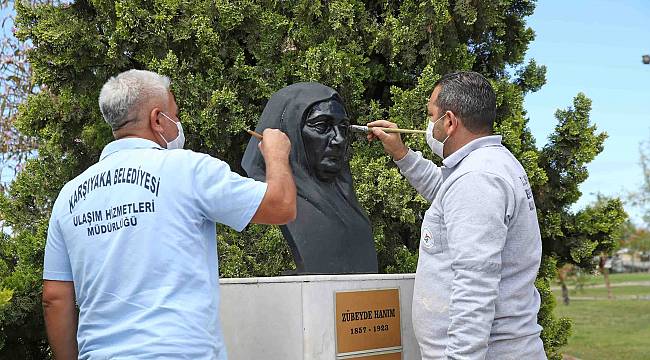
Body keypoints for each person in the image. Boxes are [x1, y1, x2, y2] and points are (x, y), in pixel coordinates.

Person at [41, 69, 296, 360]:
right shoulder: (188, 170)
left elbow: (55, 298)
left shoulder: (69, 197)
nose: (179, 124)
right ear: (158, 119)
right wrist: (276, 154)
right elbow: (281, 205)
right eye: (175, 114)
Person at [368, 71, 546, 359]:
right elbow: (447, 193)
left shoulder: (477, 178)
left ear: (449, 121)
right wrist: (401, 153)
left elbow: (474, 284)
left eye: (431, 115)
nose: (429, 125)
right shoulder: (486, 165)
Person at [242, 82, 377, 274]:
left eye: (343, 128)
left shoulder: (351, 211)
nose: (339, 140)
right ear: (288, 131)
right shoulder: (270, 202)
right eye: (322, 126)